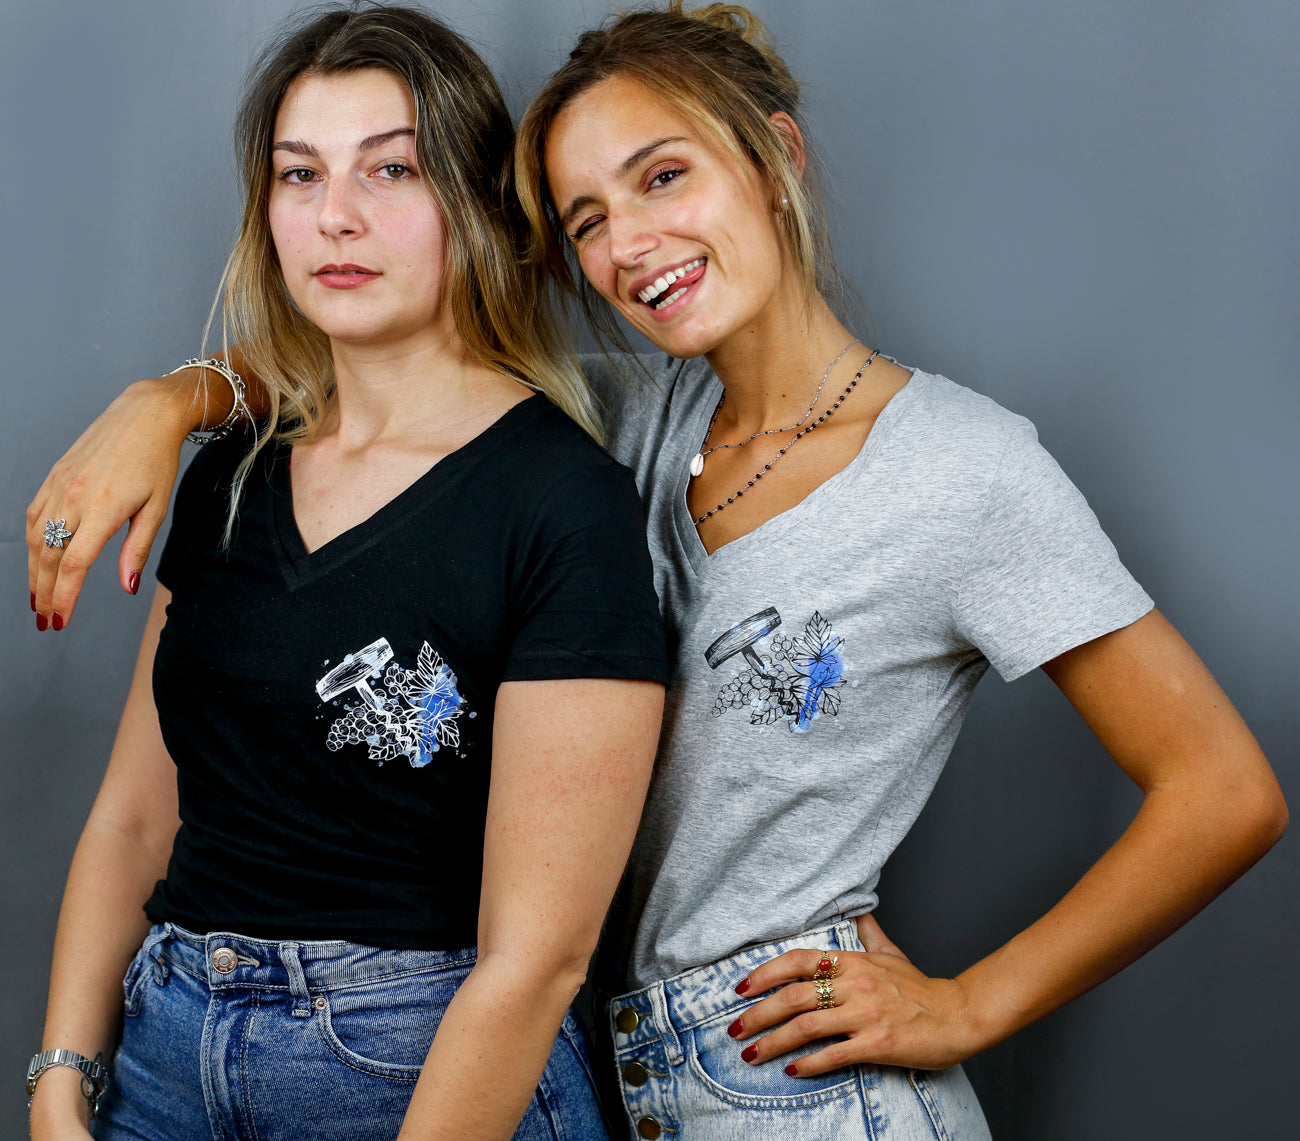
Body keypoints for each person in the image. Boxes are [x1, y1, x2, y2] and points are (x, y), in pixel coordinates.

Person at [27, 3, 1287, 1139]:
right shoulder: (637, 418)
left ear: (778, 159)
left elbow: (1225, 792)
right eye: (588, 219)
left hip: (790, 1086)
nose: (632, 244)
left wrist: (968, 1004)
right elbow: (385, 345)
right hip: (587, 1059)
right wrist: (175, 398)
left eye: (664, 177)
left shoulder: (965, 472)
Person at [25, 7, 667, 1141]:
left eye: (392, 169)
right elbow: (135, 818)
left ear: (473, 201)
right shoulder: (231, 466)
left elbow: (538, 958)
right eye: (298, 174)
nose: (336, 216)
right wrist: (63, 1077)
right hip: (163, 1055)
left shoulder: (562, 502)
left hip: (414, 1067)